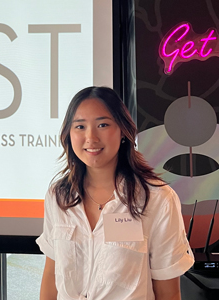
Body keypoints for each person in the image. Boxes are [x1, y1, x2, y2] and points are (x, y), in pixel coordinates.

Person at [36, 86, 194, 300]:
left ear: (122, 131)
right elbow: (51, 276)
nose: (91, 137)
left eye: (102, 125)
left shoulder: (157, 200)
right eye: (80, 126)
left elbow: (168, 292)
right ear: (69, 134)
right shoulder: (59, 197)